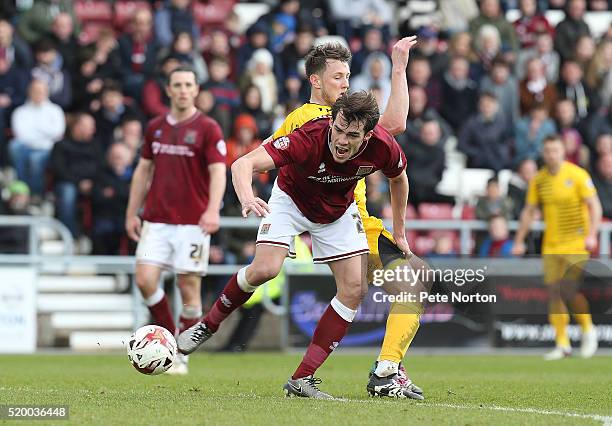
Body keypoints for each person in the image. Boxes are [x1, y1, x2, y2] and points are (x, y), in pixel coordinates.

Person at [178, 90, 413, 399]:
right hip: (291, 202)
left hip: (338, 213)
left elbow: (399, 179)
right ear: (332, 120)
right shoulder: (309, 138)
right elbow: (241, 165)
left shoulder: (383, 146)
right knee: (265, 269)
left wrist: (400, 231)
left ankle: (301, 379)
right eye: (339, 129)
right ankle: (208, 325)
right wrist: (247, 197)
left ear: (368, 135)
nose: (341, 140)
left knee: (355, 290)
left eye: (352, 135)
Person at [125, 66, 226, 375]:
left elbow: (218, 171)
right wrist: (132, 211)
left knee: (188, 287)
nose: (183, 90)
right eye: (177, 85)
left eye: (188, 85)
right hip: (156, 219)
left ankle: (181, 353)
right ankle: (168, 338)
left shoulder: (209, 128)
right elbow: (143, 170)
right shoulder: (155, 127)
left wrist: (212, 210)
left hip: (192, 223)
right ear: (168, 90)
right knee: (144, 279)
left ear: (196, 90)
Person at [512, 135, 601, 360]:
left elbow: (594, 206)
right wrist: (519, 240)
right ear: (544, 153)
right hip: (551, 244)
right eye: (548, 150)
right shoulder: (539, 180)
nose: (551, 154)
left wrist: (592, 234)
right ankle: (563, 344)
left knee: (568, 289)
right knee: (554, 293)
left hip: (576, 242)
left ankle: (588, 329)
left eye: (555, 150)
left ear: (563, 152)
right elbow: (529, 211)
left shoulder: (578, 175)